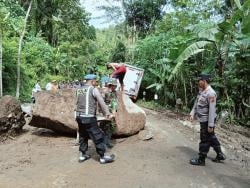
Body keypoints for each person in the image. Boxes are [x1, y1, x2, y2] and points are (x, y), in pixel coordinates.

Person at [75, 74, 115, 164]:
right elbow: (101, 101)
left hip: (79, 116)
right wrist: (108, 114)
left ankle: (82, 155)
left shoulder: (79, 89)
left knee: (83, 135)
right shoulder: (93, 89)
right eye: (96, 81)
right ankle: (103, 157)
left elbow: (77, 103)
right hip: (89, 117)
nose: (96, 83)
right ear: (92, 81)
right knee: (98, 136)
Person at [190, 73, 226, 166]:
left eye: (200, 80)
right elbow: (196, 102)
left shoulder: (211, 93)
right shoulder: (201, 91)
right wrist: (192, 113)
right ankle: (220, 154)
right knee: (211, 137)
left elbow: (212, 111)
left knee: (204, 139)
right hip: (203, 119)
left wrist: (211, 125)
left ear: (204, 81)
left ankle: (201, 159)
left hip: (207, 120)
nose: (199, 82)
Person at [100, 78, 118, 148]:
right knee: (105, 128)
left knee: (111, 127)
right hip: (106, 113)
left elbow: (114, 103)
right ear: (111, 85)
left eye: (116, 86)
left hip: (112, 113)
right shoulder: (105, 91)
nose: (115, 87)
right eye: (114, 85)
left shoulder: (114, 92)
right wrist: (105, 113)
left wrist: (114, 112)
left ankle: (108, 142)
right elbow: (101, 103)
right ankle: (103, 143)